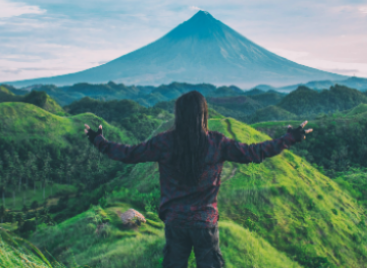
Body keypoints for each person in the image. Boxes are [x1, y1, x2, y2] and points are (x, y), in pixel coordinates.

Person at [84, 91, 312, 268]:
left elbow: (129, 154)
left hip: (175, 222)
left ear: (179, 115)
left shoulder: (165, 142)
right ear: (204, 115)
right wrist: (290, 138)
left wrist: (98, 141)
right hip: (205, 223)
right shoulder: (217, 143)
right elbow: (254, 152)